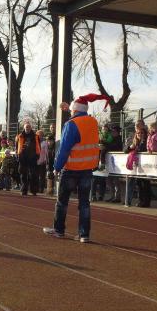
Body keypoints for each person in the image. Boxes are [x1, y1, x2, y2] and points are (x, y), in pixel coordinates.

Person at [43, 94, 109, 243]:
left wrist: (56, 167)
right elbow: (81, 122)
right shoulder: (93, 122)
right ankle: (84, 234)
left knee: (62, 201)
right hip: (87, 169)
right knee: (84, 203)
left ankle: (59, 230)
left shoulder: (71, 124)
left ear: (74, 109)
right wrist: (70, 108)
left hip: (71, 168)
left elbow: (64, 149)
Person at [16, 121, 40, 196]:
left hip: (32, 158)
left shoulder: (36, 136)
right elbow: (16, 147)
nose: (28, 128)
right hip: (23, 158)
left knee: (33, 175)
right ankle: (24, 190)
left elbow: (38, 146)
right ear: (24, 128)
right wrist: (18, 156)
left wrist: (37, 155)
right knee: (23, 175)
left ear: (31, 128)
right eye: (26, 127)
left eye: (29, 127)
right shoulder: (20, 136)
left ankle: (33, 190)